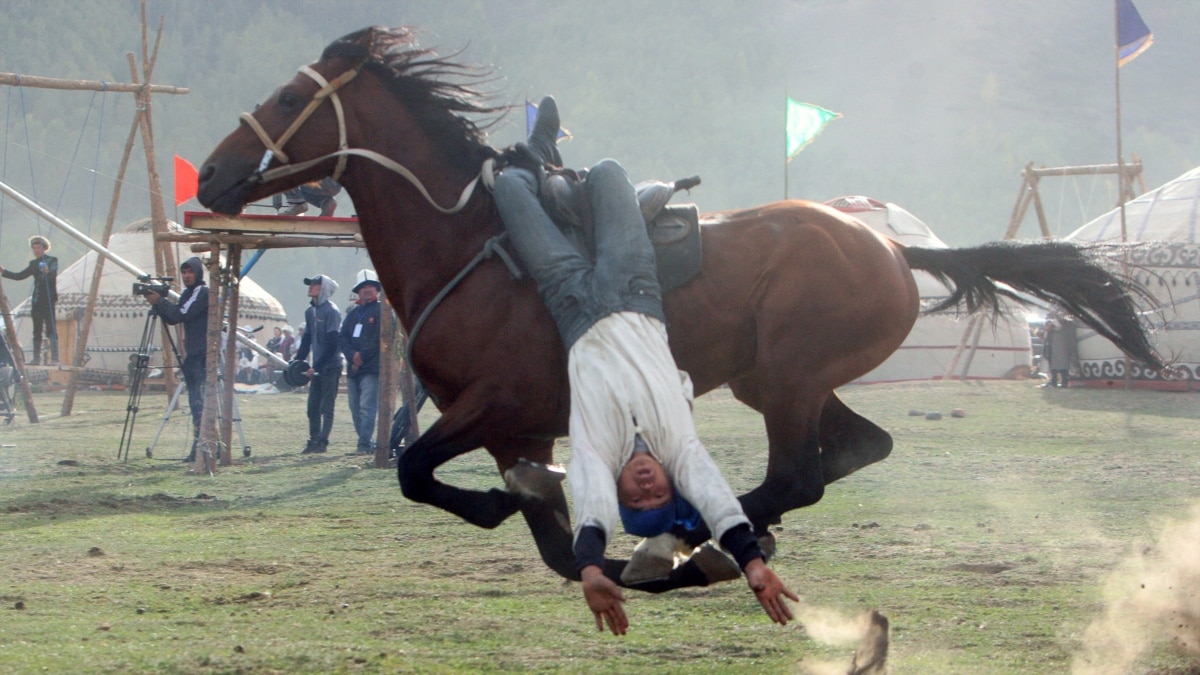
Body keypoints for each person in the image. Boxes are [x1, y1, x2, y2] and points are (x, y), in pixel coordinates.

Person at [494, 97, 796, 635]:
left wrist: (589, 566)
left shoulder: (596, 452)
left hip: (572, 303)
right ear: (671, 484)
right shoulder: (680, 447)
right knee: (609, 172)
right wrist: (752, 563)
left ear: (621, 491)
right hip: (634, 287)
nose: (645, 484)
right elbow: (717, 500)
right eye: (657, 492)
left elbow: (590, 512)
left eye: (636, 496)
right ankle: (564, 177)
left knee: (510, 188)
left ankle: (539, 153)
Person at [144, 257, 209, 462]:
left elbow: (182, 315)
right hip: (193, 355)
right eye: (184, 272)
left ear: (198, 273)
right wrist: (159, 305)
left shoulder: (202, 292)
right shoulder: (188, 294)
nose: (187, 276)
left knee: (201, 403)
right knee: (195, 402)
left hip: (204, 356)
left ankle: (206, 447)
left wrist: (160, 302)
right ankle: (198, 447)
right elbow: (173, 318)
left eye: (190, 272)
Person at [293, 274, 342, 454]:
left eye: (315, 285)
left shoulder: (332, 311)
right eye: (310, 284)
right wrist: (297, 361)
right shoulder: (310, 311)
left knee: (326, 407)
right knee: (312, 407)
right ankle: (313, 440)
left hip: (332, 365)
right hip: (318, 366)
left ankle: (323, 442)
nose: (310, 287)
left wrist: (317, 366)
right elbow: (306, 340)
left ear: (324, 289)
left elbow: (333, 343)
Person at [339, 269, 383, 456]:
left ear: (376, 289)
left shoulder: (382, 310)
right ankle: (366, 443)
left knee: (367, 407)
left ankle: (364, 444)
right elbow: (343, 337)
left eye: (370, 286)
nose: (367, 290)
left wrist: (361, 356)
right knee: (355, 408)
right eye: (363, 287)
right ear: (358, 291)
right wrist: (351, 355)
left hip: (371, 368)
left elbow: (379, 338)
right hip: (353, 368)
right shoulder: (353, 313)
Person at [1, 235, 59, 365]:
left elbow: (52, 276)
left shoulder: (52, 260)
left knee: (51, 328)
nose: (36, 250)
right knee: (36, 329)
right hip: (37, 300)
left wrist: (47, 271)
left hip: (48, 298)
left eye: (38, 247)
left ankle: (55, 358)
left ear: (44, 248)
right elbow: (20, 276)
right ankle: (36, 358)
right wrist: (4, 272)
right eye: (34, 248)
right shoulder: (33, 264)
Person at [1043, 307, 1078, 388]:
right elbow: (1045, 331)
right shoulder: (1051, 325)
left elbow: (1071, 338)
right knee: (1054, 365)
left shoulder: (1068, 325)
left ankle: (1064, 381)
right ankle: (1054, 381)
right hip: (1054, 347)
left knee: (1064, 364)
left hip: (1064, 347)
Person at [275, 178, 342, 217]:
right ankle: (326, 202)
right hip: (336, 182)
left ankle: (297, 204)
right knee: (300, 191)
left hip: (319, 176)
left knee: (280, 171)